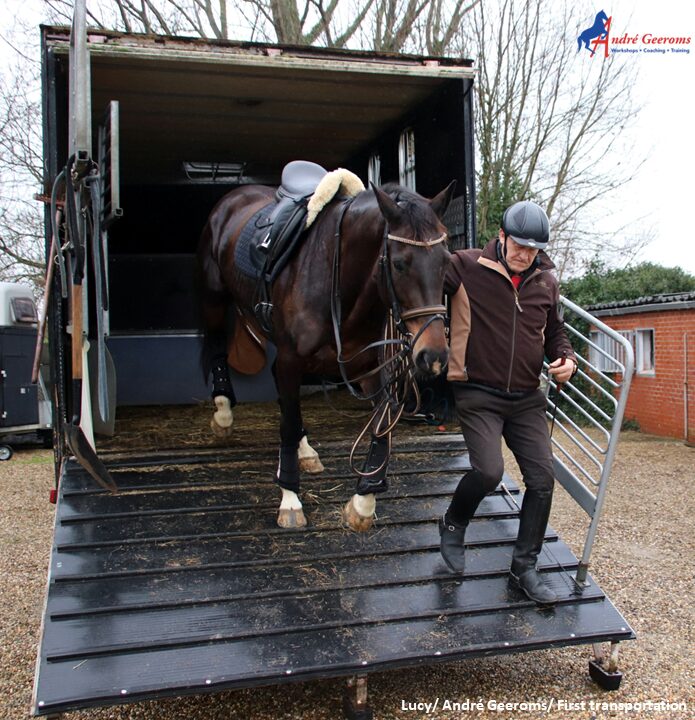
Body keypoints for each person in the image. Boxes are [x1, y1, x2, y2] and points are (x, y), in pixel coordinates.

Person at [440, 200, 577, 605]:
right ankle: (453, 523)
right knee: (488, 472)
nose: (524, 254)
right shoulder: (464, 266)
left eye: (533, 249)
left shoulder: (546, 283)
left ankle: (524, 568)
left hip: (525, 398)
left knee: (542, 480)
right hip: (477, 392)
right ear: (501, 237)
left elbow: (556, 334)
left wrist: (567, 359)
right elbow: (417, 281)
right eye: (518, 245)